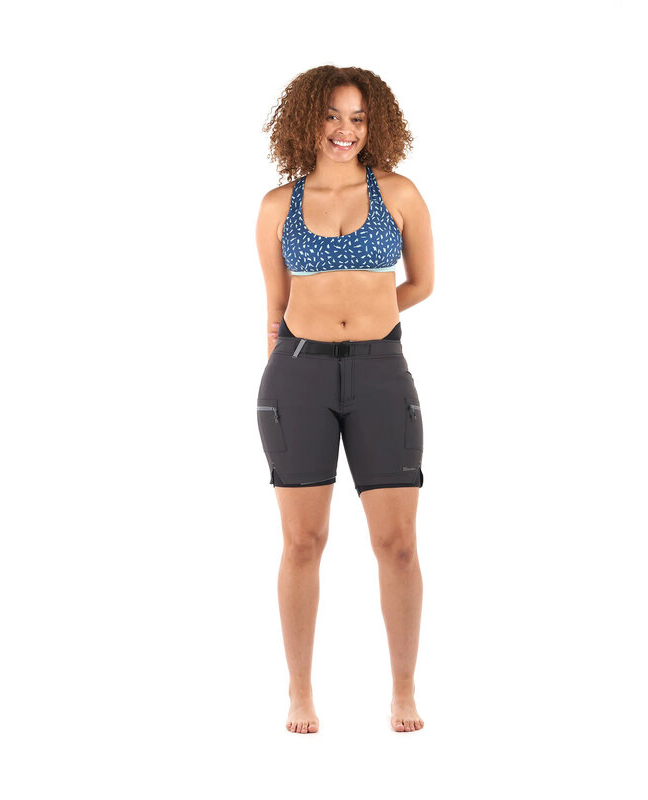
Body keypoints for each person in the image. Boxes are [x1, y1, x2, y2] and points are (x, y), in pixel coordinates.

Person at [255, 65, 434, 734]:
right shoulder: (278, 204)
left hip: (381, 372)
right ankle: (299, 692)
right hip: (297, 375)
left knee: (398, 544)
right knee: (303, 541)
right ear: (309, 120)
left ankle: (404, 692)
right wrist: (285, 368)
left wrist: (369, 311)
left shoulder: (400, 194)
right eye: (333, 115)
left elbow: (422, 282)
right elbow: (275, 306)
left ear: (374, 125)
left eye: (358, 118)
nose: (345, 129)